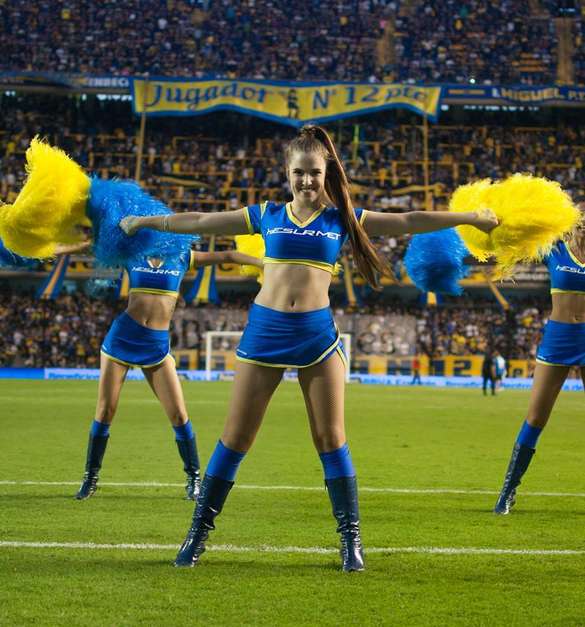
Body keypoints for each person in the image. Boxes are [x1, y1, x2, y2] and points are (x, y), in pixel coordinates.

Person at [121, 125, 496, 572]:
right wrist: (145, 222)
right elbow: (202, 222)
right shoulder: (265, 213)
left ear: (326, 172)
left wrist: (470, 218)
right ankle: (197, 534)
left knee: (331, 438)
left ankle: (351, 542)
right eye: (299, 173)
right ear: (287, 173)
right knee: (235, 439)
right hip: (265, 334)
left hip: (318, 337)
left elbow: (408, 221)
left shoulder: (343, 217)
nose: (306, 181)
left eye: (314, 173)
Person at [75, 245, 262, 501]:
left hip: (156, 346)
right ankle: (90, 479)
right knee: (105, 410)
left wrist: (267, 263)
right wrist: (53, 248)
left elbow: (228, 256)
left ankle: (194, 479)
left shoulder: (183, 256)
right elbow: (95, 244)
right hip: (121, 340)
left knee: (178, 414)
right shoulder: (133, 252)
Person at [494, 203, 585, 514]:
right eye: (580, 219)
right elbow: (509, 253)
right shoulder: (554, 248)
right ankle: (508, 491)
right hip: (559, 337)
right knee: (536, 417)